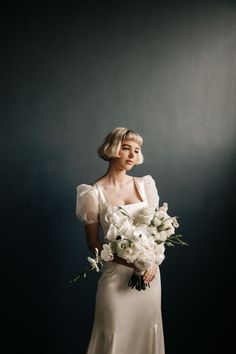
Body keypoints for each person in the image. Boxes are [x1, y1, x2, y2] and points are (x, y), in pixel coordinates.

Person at [76, 127, 165, 354]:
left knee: (147, 330)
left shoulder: (145, 185)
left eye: (136, 150)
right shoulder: (93, 193)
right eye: (126, 148)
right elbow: (93, 243)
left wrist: (151, 261)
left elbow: (156, 231)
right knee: (114, 332)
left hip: (149, 275)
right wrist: (130, 263)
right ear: (113, 149)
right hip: (116, 277)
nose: (132, 155)